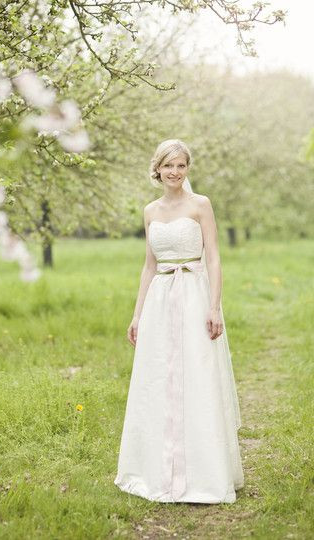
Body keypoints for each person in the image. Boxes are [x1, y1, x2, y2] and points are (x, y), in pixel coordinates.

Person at [114, 139, 244, 503]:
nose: (175, 172)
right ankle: (157, 470)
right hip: (160, 298)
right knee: (159, 377)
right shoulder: (150, 211)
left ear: (187, 169)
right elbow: (149, 265)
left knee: (197, 374)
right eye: (169, 165)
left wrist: (214, 306)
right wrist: (137, 314)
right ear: (158, 168)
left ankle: (204, 474)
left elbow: (215, 258)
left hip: (194, 295)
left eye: (181, 166)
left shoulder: (200, 205)